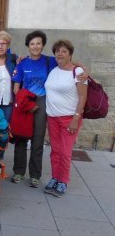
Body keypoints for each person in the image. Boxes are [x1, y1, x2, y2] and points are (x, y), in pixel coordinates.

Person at [11, 30, 57, 188]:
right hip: (25, 103)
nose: (35, 46)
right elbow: (16, 87)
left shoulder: (50, 62)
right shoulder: (22, 63)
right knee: (21, 139)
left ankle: (35, 175)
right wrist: (25, 104)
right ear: (28, 46)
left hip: (42, 103)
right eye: (32, 44)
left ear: (43, 45)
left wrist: (82, 68)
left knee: (38, 140)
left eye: (38, 43)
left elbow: (69, 63)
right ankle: (18, 172)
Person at [44, 40, 87, 197]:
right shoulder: (54, 70)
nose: (60, 54)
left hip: (69, 118)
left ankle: (63, 181)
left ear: (70, 54)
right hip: (53, 118)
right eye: (57, 51)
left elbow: (83, 96)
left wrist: (76, 117)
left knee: (65, 152)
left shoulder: (78, 72)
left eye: (64, 51)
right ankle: (55, 177)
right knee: (55, 151)